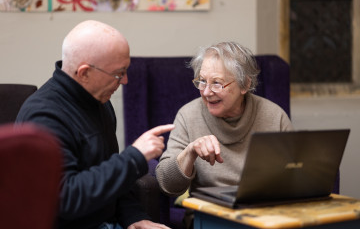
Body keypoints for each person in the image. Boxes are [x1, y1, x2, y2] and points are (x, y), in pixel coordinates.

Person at [16, 20, 174, 229]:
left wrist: (134, 217)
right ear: (84, 73)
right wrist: (134, 157)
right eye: (118, 73)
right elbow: (66, 200)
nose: (125, 81)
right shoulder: (44, 117)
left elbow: (110, 178)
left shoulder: (99, 101)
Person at [155, 41, 293, 213]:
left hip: (264, 213)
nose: (206, 92)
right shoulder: (188, 115)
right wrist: (190, 152)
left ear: (245, 85)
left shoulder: (274, 116)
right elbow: (167, 185)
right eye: (202, 81)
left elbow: (295, 175)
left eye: (217, 83)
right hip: (209, 216)